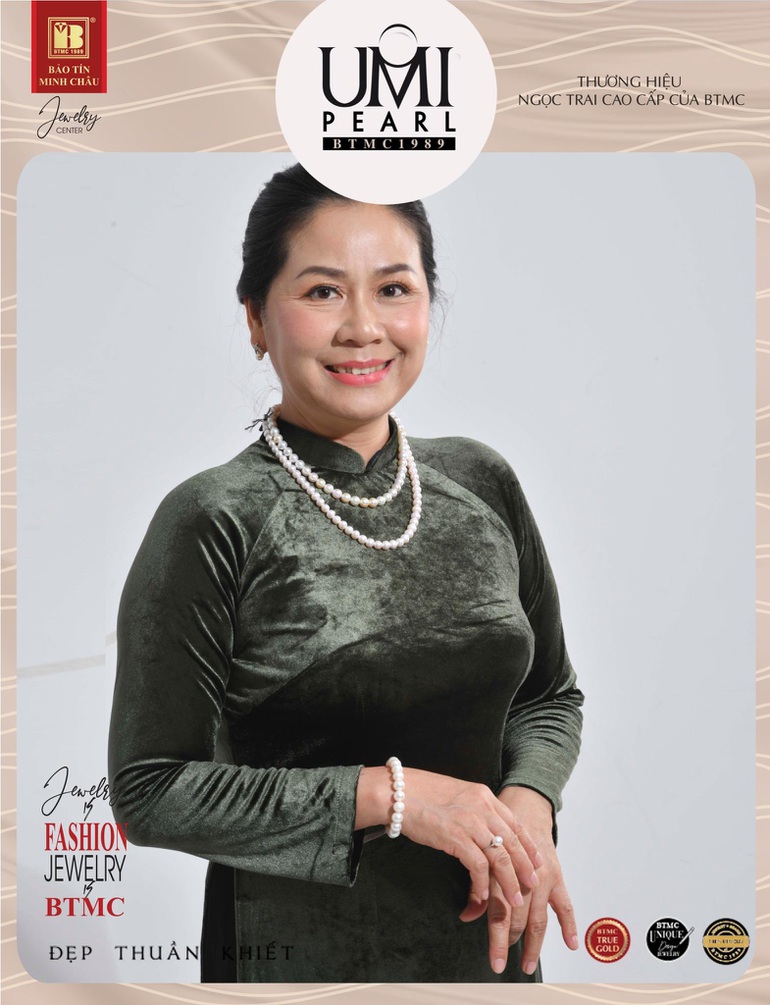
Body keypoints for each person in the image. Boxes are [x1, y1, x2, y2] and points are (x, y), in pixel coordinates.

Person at [108, 162, 584, 983]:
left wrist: (529, 805)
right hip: (295, 960)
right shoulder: (214, 516)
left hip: (491, 950)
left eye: (393, 288)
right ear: (256, 318)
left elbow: (548, 696)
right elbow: (150, 789)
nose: (364, 326)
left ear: (428, 304)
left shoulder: (482, 481)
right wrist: (397, 798)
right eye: (324, 291)